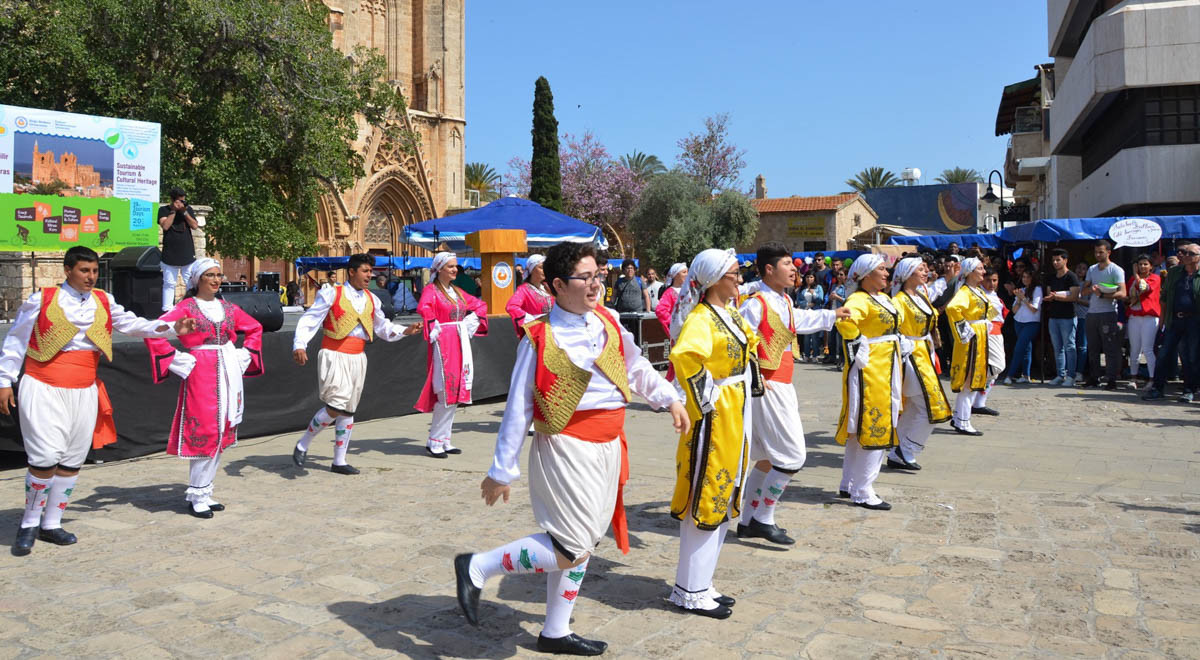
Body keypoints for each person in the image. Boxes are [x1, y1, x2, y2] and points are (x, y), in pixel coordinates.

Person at [455, 242, 687, 655]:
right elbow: (518, 407)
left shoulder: (610, 322)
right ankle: (478, 566)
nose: (596, 285)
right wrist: (501, 470)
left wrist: (668, 397)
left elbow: (635, 368)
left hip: (610, 445)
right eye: (586, 278)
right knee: (570, 544)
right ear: (558, 285)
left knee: (584, 541)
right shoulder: (539, 336)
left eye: (599, 275)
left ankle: (555, 631)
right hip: (565, 445)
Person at [1, 247, 192, 556]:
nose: (91, 277)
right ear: (67, 271)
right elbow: (15, 341)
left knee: (72, 458)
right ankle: (29, 522)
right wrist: (4, 381)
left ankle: (52, 522)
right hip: (43, 385)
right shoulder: (42, 299)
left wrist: (171, 328)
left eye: (93, 271)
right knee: (45, 455)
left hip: (84, 387)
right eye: (84, 271)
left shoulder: (104, 301)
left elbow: (131, 324)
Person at [665, 248, 760, 618]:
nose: (739, 278)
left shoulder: (729, 312)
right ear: (715, 278)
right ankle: (690, 589)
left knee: (726, 485)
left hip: (734, 408)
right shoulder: (702, 319)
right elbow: (686, 357)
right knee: (709, 488)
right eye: (734, 273)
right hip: (716, 413)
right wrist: (710, 398)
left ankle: (701, 581)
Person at [736, 243, 844, 546]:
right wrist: (753, 376)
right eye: (786, 263)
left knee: (769, 459)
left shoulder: (782, 299)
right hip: (769, 387)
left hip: (782, 383)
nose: (794, 268)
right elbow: (738, 342)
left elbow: (799, 320)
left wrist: (833, 316)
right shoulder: (755, 304)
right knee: (793, 456)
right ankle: (763, 517)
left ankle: (747, 520)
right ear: (768, 269)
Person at [145, 259, 264, 518]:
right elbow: (154, 331)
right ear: (197, 279)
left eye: (218, 275)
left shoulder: (228, 308)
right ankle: (197, 492)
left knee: (222, 428)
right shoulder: (186, 307)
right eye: (209, 275)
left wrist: (245, 355)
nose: (215, 279)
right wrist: (178, 359)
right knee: (204, 429)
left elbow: (255, 327)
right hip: (202, 370)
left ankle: (205, 491)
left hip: (228, 368)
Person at [291, 254, 421, 474]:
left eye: (371, 271)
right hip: (334, 353)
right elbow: (311, 318)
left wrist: (405, 331)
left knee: (348, 410)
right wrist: (299, 344)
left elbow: (382, 327)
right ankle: (303, 444)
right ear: (351, 272)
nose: (369, 275)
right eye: (365, 271)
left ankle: (339, 460)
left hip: (358, 357)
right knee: (337, 405)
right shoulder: (332, 293)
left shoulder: (372, 299)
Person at [834, 255, 903, 510]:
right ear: (865, 275)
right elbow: (845, 321)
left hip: (886, 365)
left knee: (861, 425)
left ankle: (850, 481)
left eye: (886, 269)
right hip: (871, 369)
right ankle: (863, 489)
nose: (886, 273)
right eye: (881, 269)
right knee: (873, 422)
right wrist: (857, 345)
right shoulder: (859, 299)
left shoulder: (883, 298)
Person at [415, 252, 489, 458]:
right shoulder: (431, 290)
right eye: (450, 267)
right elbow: (424, 308)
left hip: (458, 340)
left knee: (455, 391)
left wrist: (469, 323)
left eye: (455, 266)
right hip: (444, 342)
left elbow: (480, 305)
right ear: (439, 269)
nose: (455, 270)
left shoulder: (456, 291)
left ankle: (444, 439)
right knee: (446, 391)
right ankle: (434, 440)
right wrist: (436, 327)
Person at [887, 258, 952, 471]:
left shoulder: (921, 296)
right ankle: (907, 449)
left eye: (925, 269)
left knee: (916, 406)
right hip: (911, 356)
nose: (925, 272)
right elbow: (891, 327)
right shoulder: (899, 300)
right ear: (907, 273)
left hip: (925, 353)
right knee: (930, 407)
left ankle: (898, 449)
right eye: (920, 269)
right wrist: (904, 344)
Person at [1144, 242, 1200, 402]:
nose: (1185, 255)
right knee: (1164, 353)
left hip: (1194, 321)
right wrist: (1162, 321)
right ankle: (1157, 388)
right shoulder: (1175, 272)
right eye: (1183, 252)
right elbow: (1165, 297)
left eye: (1190, 253)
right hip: (1175, 319)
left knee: (1192, 356)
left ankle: (1189, 390)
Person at [944, 257, 990, 436]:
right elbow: (953, 308)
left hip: (980, 335)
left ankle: (959, 416)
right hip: (972, 338)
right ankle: (963, 420)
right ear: (970, 272)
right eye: (980, 268)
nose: (983, 272)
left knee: (975, 377)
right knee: (968, 379)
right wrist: (965, 330)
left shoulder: (976, 290)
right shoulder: (965, 291)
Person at [1082, 240, 1127, 389]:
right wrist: (1091, 290)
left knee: (1110, 348)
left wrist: (1103, 295)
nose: (1098, 255)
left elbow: (1122, 293)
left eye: (1101, 252)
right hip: (1092, 313)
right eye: (1096, 252)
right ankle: (1094, 377)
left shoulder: (1116, 270)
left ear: (1109, 252)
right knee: (1093, 347)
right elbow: (1085, 290)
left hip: (1108, 313)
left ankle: (1111, 378)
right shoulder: (1092, 269)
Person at [1042, 249, 1082, 386]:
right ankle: (1060, 374)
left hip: (1068, 317)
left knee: (1069, 346)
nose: (1055, 263)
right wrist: (1054, 297)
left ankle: (1071, 376)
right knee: (1057, 347)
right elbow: (1049, 294)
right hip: (1053, 316)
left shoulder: (1071, 277)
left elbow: (1074, 296)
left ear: (1065, 260)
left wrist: (1056, 296)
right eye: (1053, 260)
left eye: (1058, 260)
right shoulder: (1051, 277)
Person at [157, 187, 200, 312]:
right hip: (170, 254)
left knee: (190, 283)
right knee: (169, 284)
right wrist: (173, 211)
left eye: (183, 200)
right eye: (179, 201)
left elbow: (195, 225)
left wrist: (184, 212)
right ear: (172, 200)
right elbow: (165, 226)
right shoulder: (163, 210)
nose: (182, 203)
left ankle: (191, 308)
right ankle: (167, 311)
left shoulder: (188, 210)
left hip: (187, 253)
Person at [973, 268, 1007, 416]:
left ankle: (979, 403)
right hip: (987, 332)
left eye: (995, 280)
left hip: (997, 332)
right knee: (997, 366)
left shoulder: (994, 295)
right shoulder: (978, 294)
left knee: (994, 372)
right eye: (988, 280)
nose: (992, 283)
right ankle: (973, 388)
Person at [1126, 253, 1162, 389]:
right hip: (1134, 317)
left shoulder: (1155, 278)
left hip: (1149, 318)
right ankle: (1133, 378)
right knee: (1134, 350)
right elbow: (1129, 295)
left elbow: (1143, 288)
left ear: (1151, 266)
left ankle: (1152, 380)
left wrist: (1135, 275)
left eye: (1145, 264)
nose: (1142, 266)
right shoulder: (1131, 279)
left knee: (1147, 349)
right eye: (1140, 264)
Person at [1004, 270, 1043, 384]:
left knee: (1019, 348)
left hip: (1031, 322)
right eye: (1023, 277)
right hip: (1019, 321)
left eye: (1028, 277)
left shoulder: (1037, 290)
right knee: (1026, 348)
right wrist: (1020, 299)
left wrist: (1024, 298)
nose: (1025, 279)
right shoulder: (1022, 290)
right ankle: (1026, 375)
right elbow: (1014, 310)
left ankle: (1010, 375)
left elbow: (1034, 308)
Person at [505, 254, 554, 338]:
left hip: (551, 331)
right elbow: (511, 306)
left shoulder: (547, 287)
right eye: (541, 268)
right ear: (532, 270)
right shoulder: (523, 289)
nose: (545, 271)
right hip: (535, 333)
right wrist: (532, 320)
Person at [794, 271, 826, 362]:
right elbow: (798, 300)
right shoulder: (802, 288)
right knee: (806, 335)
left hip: (815, 313)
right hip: (805, 312)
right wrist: (807, 304)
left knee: (815, 335)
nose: (809, 279)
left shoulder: (818, 287)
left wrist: (814, 294)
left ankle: (815, 355)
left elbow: (821, 299)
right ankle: (806, 355)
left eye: (811, 277)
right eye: (807, 277)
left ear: (814, 278)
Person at [1073, 261, 1091, 383]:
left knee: (1082, 346)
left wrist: (1077, 300)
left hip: (1084, 317)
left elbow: (1091, 303)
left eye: (1084, 268)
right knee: (1071, 345)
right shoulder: (1072, 283)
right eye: (1079, 267)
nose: (1081, 270)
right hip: (1071, 316)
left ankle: (1080, 371)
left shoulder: (1088, 286)